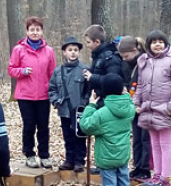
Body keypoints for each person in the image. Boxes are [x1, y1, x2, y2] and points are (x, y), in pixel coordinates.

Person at [80, 74, 135, 186]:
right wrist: (124, 93)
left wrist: (90, 105)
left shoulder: (102, 113)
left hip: (107, 159)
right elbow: (127, 99)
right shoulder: (130, 109)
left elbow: (85, 126)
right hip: (123, 157)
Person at [134, 30, 171, 186]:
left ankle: (165, 177)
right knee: (154, 144)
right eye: (154, 42)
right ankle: (156, 174)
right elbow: (140, 85)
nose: (158, 44)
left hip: (165, 110)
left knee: (165, 144)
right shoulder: (143, 62)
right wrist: (136, 102)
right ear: (149, 45)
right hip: (148, 110)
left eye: (161, 41)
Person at [8, 16, 56, 169]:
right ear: (27, 31)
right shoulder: (19, 49)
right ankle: (29, 154)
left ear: (42, 31)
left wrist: (52, 89)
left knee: (43, 126)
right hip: (25, 95)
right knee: (29, 126)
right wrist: (22, 71)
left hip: (43, 94)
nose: (35, 32)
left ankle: (44, 155)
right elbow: (11, 69)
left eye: (38, 29)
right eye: (32, 30)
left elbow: (53, 73)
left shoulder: (49, 51)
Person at [83, 25, 123, 174]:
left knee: (107, 135)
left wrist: (93, 77)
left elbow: (113, 80)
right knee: (100, 133)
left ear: (97, 41)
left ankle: (109, 165)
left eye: (88, 42)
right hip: (99, 101)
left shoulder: (110, 57)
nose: (87, 46)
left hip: (108, 103)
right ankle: (102, 164)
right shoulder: (97, 57)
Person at [48, 36, 89, 172]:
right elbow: (52, 89)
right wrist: (55, 101)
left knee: (79, 136)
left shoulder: (84, 70)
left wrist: (85, 103)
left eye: (75, 50)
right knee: (67, 136)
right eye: (70, 50)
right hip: (64, 110)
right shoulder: (57, 71)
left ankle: (79, 161)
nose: (73, 52)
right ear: (64, 52)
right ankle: (69, 160)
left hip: (79, 111)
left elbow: (89, 90)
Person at [118, 36, 151, 181]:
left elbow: (148, 86)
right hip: (133, 105)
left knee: (146, 139)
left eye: (126, 56)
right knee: (136, 138)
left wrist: (141, 105)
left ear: (134, 50)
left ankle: (145, 168)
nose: (124, 59)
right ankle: (137, 166)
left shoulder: (146, 62)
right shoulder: (127, 64)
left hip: (145, 106)